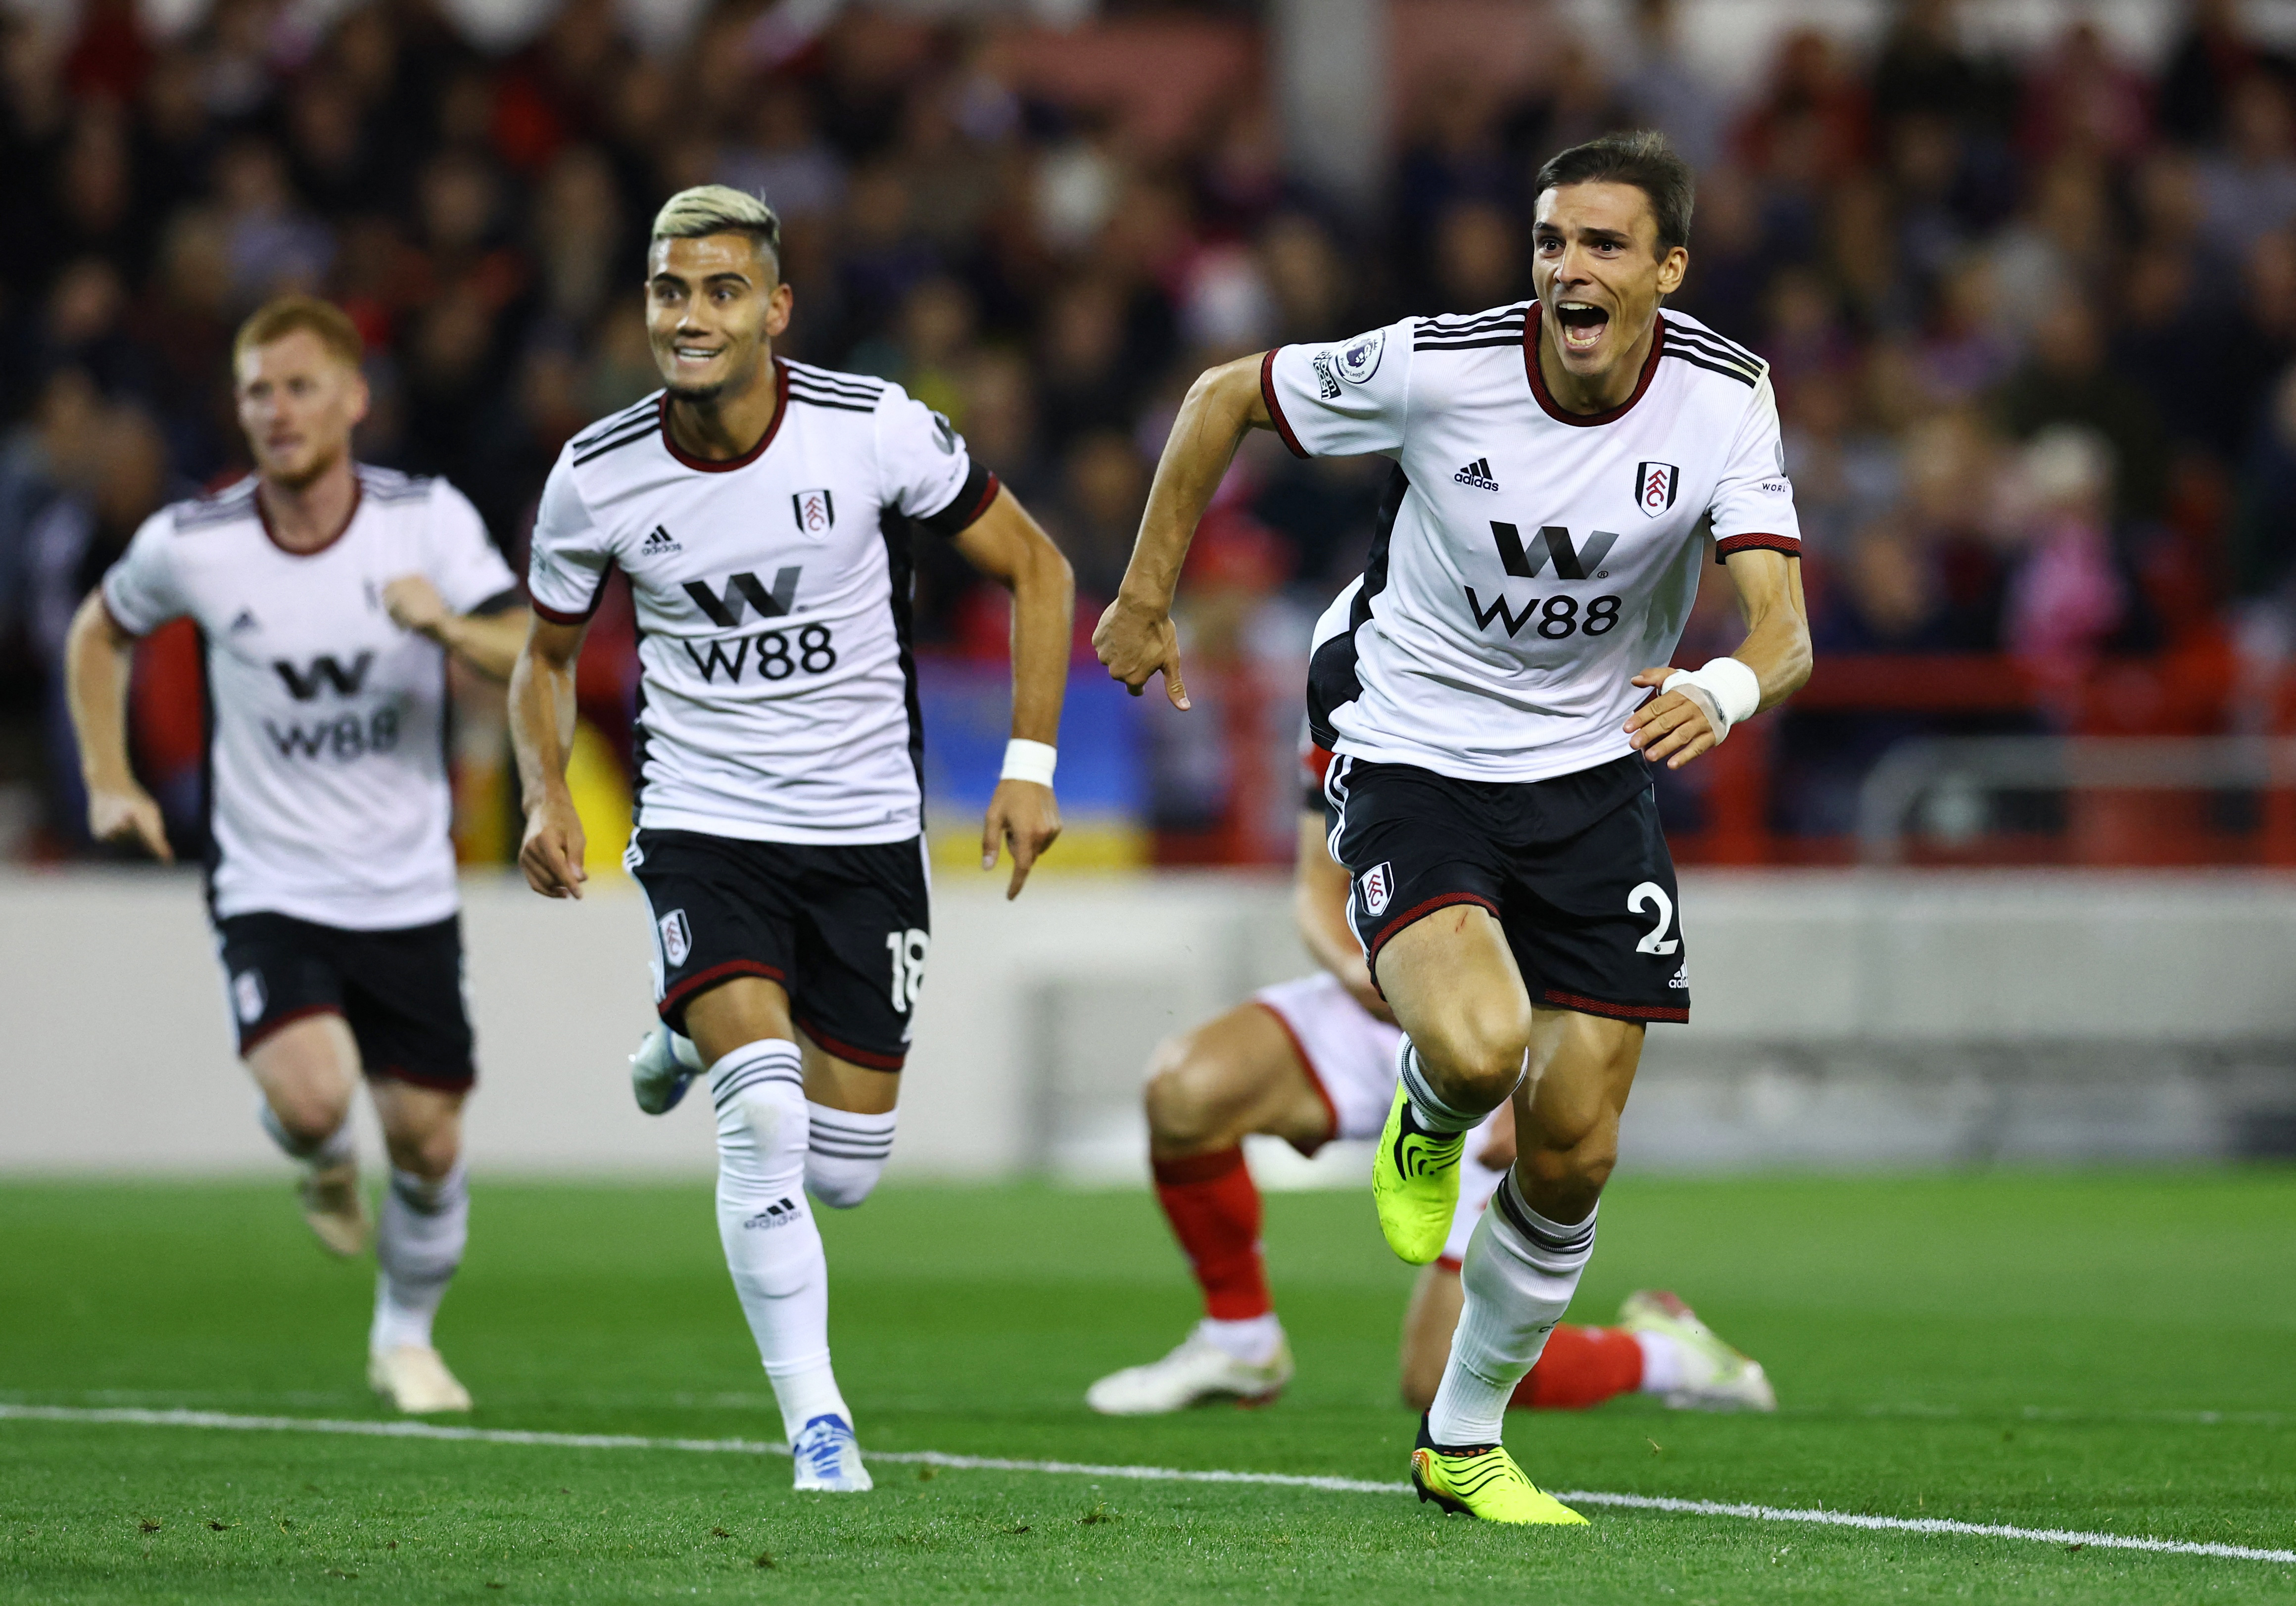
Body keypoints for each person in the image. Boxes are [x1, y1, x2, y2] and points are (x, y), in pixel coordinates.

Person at [1095, 131, 1812, 1522]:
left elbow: (1783, 632)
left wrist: (1720, 690)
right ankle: (1425, 1117)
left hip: (1593, 770)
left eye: (1605, 245)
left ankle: (1464, 1436)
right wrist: (1145, 591)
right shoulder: (1439, 365)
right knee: (1480, 1045)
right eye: (1551, 242)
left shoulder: (1727, 399)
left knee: (1578, 1145)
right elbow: (1218, 397)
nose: (1568, 270)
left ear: (1668, 267)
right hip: (1415, 741)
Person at [509, 187, 1072, 1495]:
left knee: (850, 1166)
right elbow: (540, 658)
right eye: (667, 291)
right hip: (705, 824)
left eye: (717, 292)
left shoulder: (872, 431)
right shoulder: (595, 470)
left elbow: (1039, 568)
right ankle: (820, 1423)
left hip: (867, 832)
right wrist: (546, 789)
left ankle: (678, 1027)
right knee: (762, 1114)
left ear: (775, 309)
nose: (688, 317)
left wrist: (1029, 765)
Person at [63, 295, 530, 1414]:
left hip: (408, 884)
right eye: (258, 391)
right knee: (318, 1098)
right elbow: (99, 631)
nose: (278, 411)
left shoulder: (426, 523)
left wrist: (449, 630)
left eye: (301, 386)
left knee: (424, 1140)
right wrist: (109, 778)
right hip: (270, 878)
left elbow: (527, 642)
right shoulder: (197, 542)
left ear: (355, 397)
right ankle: (316, 1151)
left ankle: (404, 1337)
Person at [1084, 736, 1774, 1419]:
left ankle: (1666, 1355)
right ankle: (1241, 1340)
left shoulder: (1536, 694)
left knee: (1437, 1376)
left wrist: (1525, 1074)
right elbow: (1316, 894)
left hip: (1497, 1033)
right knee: (1187, 1087)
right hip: (1388, 1009)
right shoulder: (1348, 672)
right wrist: (1366, 974)